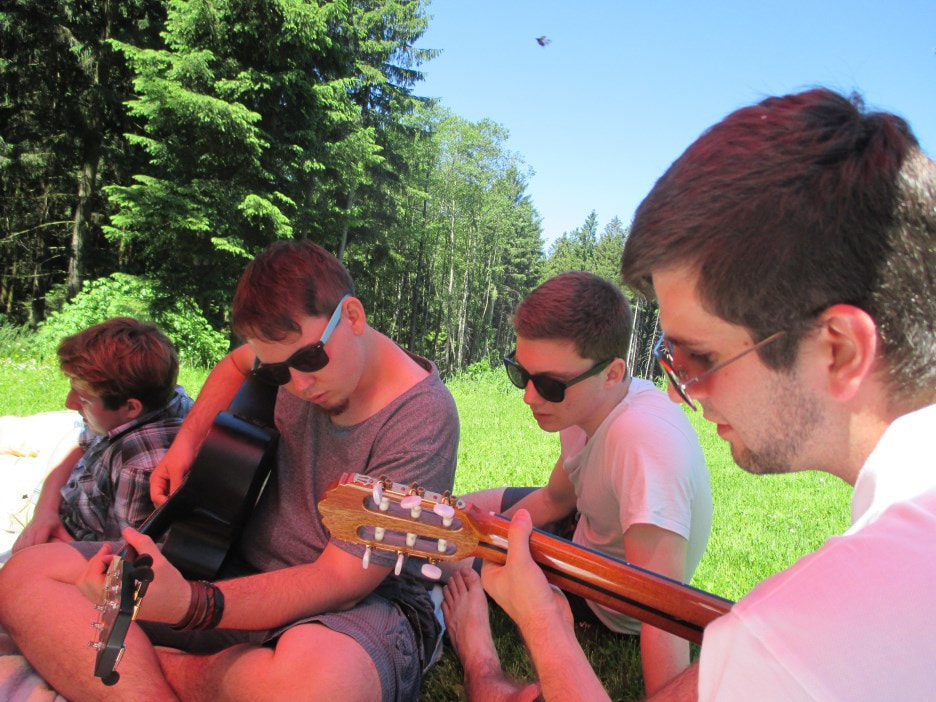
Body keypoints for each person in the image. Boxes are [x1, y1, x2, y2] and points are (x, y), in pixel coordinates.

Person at [477, 88, 936, 701]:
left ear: (840, 351)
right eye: (671, 360)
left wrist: (537, 624)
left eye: (702, 358)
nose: (681, 393)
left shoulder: (806, 634)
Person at [0, 240, 460, 701]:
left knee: (323, 685)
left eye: (309, 360)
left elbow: (341, 582)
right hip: (234, 570)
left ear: (353, 316)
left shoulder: (422, 418)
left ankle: (129, 663)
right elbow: (239, 363)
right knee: (26, 573)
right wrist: (186, 443)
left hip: (354, 610)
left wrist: (190, 604)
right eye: (280, 373)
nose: (300, 384)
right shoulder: (292, 361)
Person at [442, 271, 711, 697]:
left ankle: (475, 642)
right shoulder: (588, 406)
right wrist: (483, 537)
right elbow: (554, 499)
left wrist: (475, 553)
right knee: (449, 515)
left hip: (605, 597)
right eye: (521, 373)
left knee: (441, 558)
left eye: (549, 385)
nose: (529, 397)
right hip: (583, 527)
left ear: (612, 373)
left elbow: (659, 609)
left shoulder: (643, 442)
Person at [10, 317, 193, 550]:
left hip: (77, 539)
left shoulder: (140, 465)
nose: (69, 403)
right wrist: (45, 511)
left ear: (131, 408)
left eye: (83, 399)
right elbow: (76, 439)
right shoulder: (158, 397)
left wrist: (49, 547)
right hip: (60, 500)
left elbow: (123, 555)